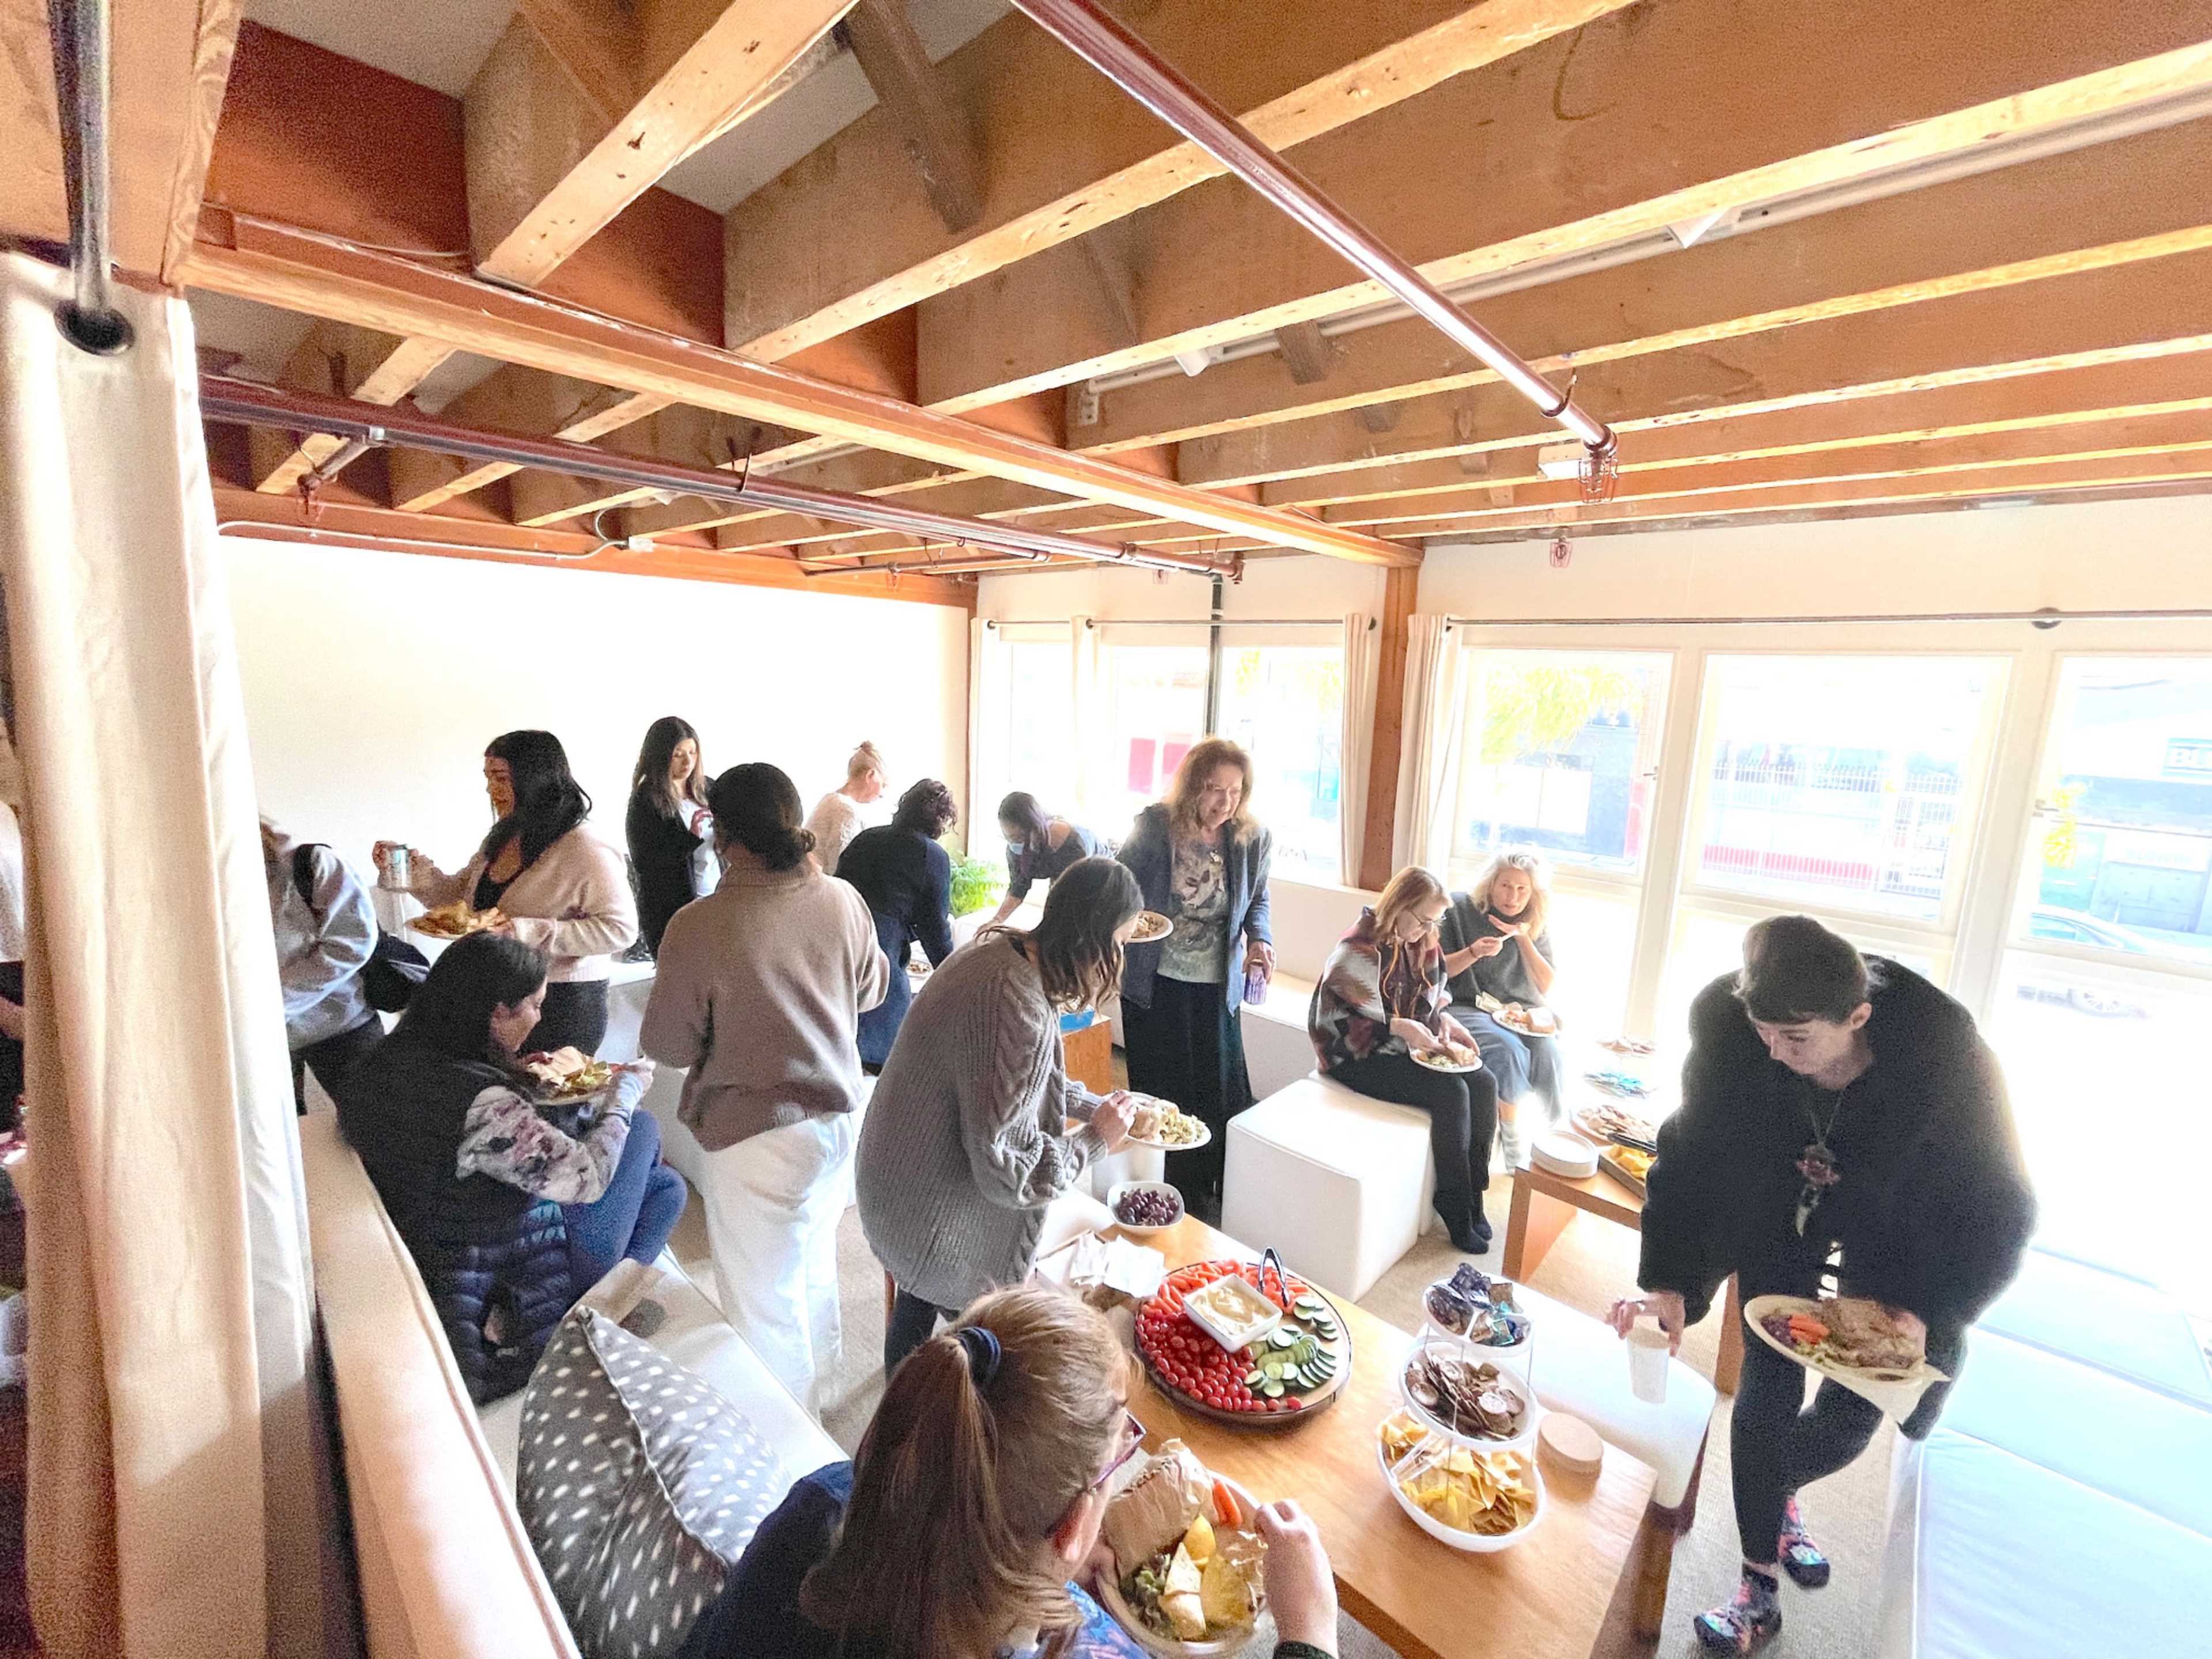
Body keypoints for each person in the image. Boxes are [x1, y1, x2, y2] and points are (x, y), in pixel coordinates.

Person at [1607, 915, 2035, 1654]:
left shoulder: (1945, 1054)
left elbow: (2001, 1203)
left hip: (1899, 1231)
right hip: (1776, 1210)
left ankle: (1781, 1494)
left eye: (1796, 1039)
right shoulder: (1735, 1029)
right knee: (1766, 1388)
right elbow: (1692, 1151)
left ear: (1857, 1017)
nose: (1773, 1051)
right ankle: (1757, 1584)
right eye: (1763, 1030)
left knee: (1850, 1418)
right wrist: (1672, 1281)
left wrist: (1934, 1314)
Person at [677, 1285, 1344, 1659]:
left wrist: (1036, 1565)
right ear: (1076, 1524)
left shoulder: (820, 1504)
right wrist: (1310, 1634)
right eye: (1117, 1456)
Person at [335, 933, 681, 1403]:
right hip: (497, 1264)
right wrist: (625, 1092)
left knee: (666, 1189)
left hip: (438, 1226)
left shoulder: (389, 1058)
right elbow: (587, 1179)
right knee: (641, 1130)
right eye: (534, 1005)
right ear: (498, 1012)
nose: (540, 1017)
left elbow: (461, 1134)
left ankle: (609, 1309)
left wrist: (515, 1075)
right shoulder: (483, 1105)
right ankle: (589, 1320)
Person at [640, 762, 889, 1414]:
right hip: (839, 1118)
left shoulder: (699, 926)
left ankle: (791, 1440)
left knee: (762, 1300)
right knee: (812, 1265)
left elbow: (665, 1045)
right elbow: (873, 990)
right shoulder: (841, 898)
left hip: (758, 1136)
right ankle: (826, 1391)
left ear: (722, 834)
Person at [859, 857, 1142, 1373]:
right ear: (1094, 941)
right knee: (1020, 1348)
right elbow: (1009, 1176)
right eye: (1120, 944)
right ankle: (936, 1413)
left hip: (892, 1182)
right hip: (919, 1214)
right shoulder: (1018, 1005)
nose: (1120, 960)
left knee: (926, 1291)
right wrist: (1095, 1141)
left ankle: (899, 1388)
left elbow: (1024, 1082)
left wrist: (1090, 1106)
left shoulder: (1000, 953)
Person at [377, 729, 637, 1055]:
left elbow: (621, 931)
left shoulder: (584, 845)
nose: (490, 789)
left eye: (500, 778)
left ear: (535, 779)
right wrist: (415, 874)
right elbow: (461, 904)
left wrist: (525, 931)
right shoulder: (504, 834)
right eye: (488, 778)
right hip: (498, 998)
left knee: (548, 1102)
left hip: (561, 1002)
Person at [1116, 738, 1273, 1214]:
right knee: (1163, 1084)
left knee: (1219, 1088)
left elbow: (1259, 899)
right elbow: (1119, 884)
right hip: (1155, 978)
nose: (1224, 802)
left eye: (1234, 791)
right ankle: (1161, 1185)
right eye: (1212, 789)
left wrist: (1261, 940)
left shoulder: (1252, 838)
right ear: (1191, 787)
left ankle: (1209, 1188)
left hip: (1216, 984)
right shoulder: (1154, 826)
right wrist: (1126, 924)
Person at [1309, 867, 1499, 1253]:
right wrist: (1402, 1028)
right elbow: (1336, 1021)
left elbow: (1430, 998)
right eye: (1423, 919)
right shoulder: (1358, 947)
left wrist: (1443, 1022)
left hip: (1403, 1045)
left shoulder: (1422, 939)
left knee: (1483, 1083)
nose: (1428, 928)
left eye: (1434, 920)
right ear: (1400, 905)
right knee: (1451, 1093)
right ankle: (1453, 1197)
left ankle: (1474, 1191)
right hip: (1354, 1054)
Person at [1438, 848, 1565, 1165]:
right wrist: (1473, 952)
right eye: (1506, 886)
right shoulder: (1459, 910)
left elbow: (1546, 984)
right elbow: (1437, 970)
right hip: (1467, 1004)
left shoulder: (1534, 923)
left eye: (1523, 889)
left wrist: (1523, 938)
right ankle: (1511, 1139)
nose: (1513, 897)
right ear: (1491, 884)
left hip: (1518, 1010)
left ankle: (1558, 1137)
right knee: (1508, 1051)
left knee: (1549, 1053)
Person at [263, 817, 384, 1111]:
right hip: (266, 1040)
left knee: (381, 1129)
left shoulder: (310, 864)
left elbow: (353, 942)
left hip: (343, 1026)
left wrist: (270, 1004)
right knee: (285, 1145)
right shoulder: (206, 884)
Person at [838, 778, 959, 1069]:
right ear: (941, 820)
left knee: (844, 1046)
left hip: (840, 946)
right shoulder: (932, 855)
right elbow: (935, 930)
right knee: (882, 1058)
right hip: (882, 957)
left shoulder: (867, 839)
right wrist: (954, 974)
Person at [625, 715, 713, 956]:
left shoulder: (709, 789)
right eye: (678, 755)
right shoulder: (645, 801)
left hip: (717, 900)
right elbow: (646, 862)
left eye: (692, 752)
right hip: (673, 912)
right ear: (661, 756)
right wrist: (691, 836)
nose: (688, 762)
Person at [986, 791, 1103, 925]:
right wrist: (997, 920)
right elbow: (1018, 888)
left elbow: (1069, 898)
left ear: (1036, 828)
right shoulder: (1015, 849)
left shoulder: (1075, 845)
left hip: (1098, 883)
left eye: (1019, 838)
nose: (1015, 843)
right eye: (1009, 838)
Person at [805, 740, 886, 877]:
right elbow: (844, 870)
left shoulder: (830, 800)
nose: (882, 794)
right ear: (870, 776)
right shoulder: (845, 811)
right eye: (884, 785)